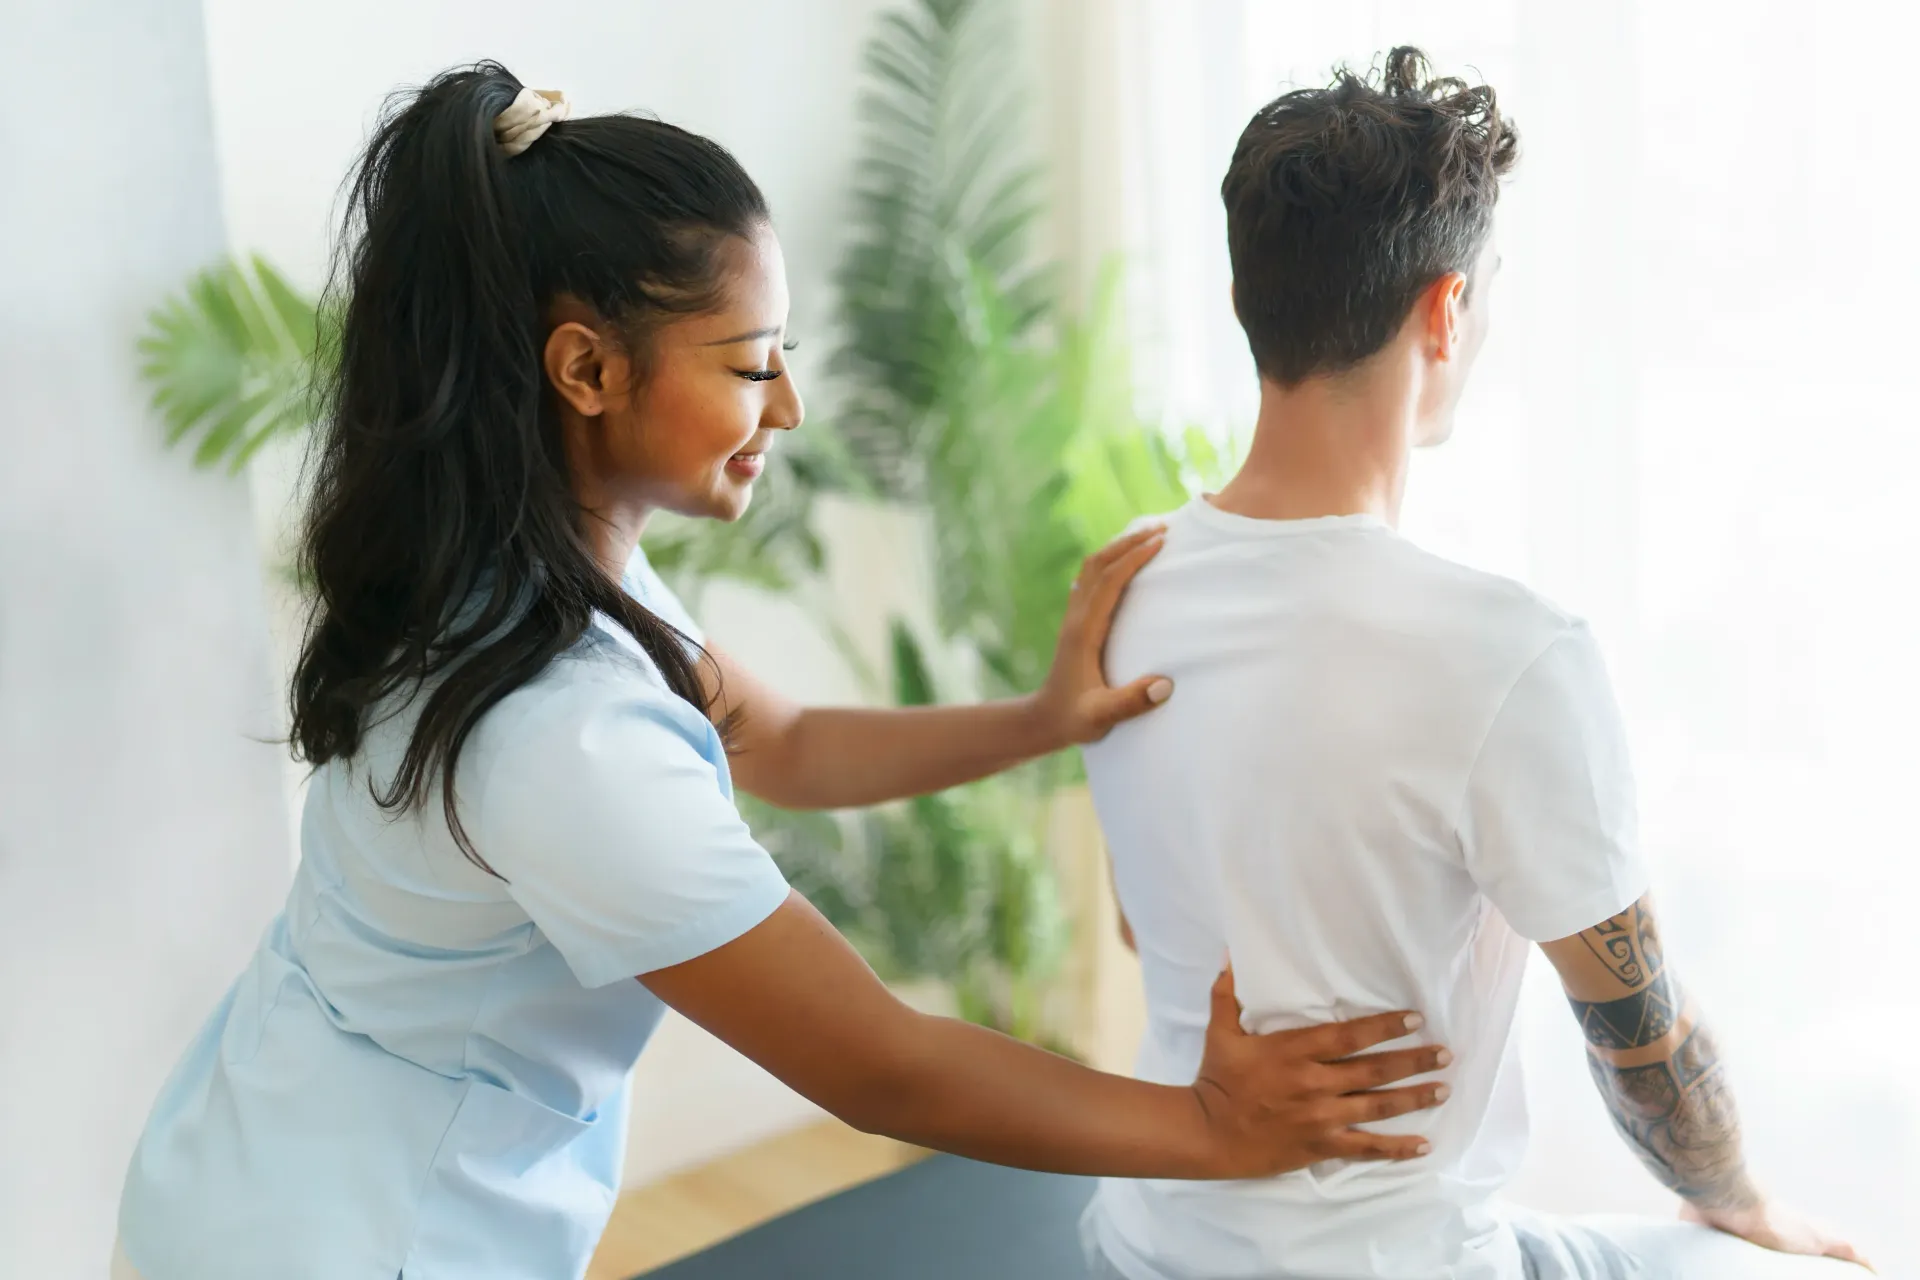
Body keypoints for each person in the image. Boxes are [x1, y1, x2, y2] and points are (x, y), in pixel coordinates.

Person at [111, 64, 1456, 1280]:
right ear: (584, 367)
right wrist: (1217, 1128)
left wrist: (1045, 720)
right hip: (351, 1239)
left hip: (249, 1157)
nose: (789, 410)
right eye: (752, 365)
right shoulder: (560, 739)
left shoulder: (531, 575)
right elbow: (879, 1064)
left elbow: (791, 742)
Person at [1079, 48, 1868, 1280]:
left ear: (1250, 299)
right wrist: (1748, 1201)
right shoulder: (1509, 652)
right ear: (1446, 308)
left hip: (1142, 1242)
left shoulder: (1118, 591)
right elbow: (1642, 1043)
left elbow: (1149, 924)